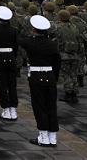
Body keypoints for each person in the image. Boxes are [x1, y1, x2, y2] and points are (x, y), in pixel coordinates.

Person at [20, 14, 61, 147]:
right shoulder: (53, 44)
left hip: (36, 77)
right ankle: (52, 136)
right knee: (51, 106)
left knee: (39, 106)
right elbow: (57, 62)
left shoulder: (30, 42)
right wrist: (54, 76)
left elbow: (20, 39)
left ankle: (43, 136)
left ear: (33, 30)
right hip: (50, 76)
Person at [0, 5, 18, 120]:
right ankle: (13, 109)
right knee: (12, 84)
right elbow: (16, 46)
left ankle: (6, 110)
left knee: (2, 84)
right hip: (11, 56)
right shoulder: (14, 30)